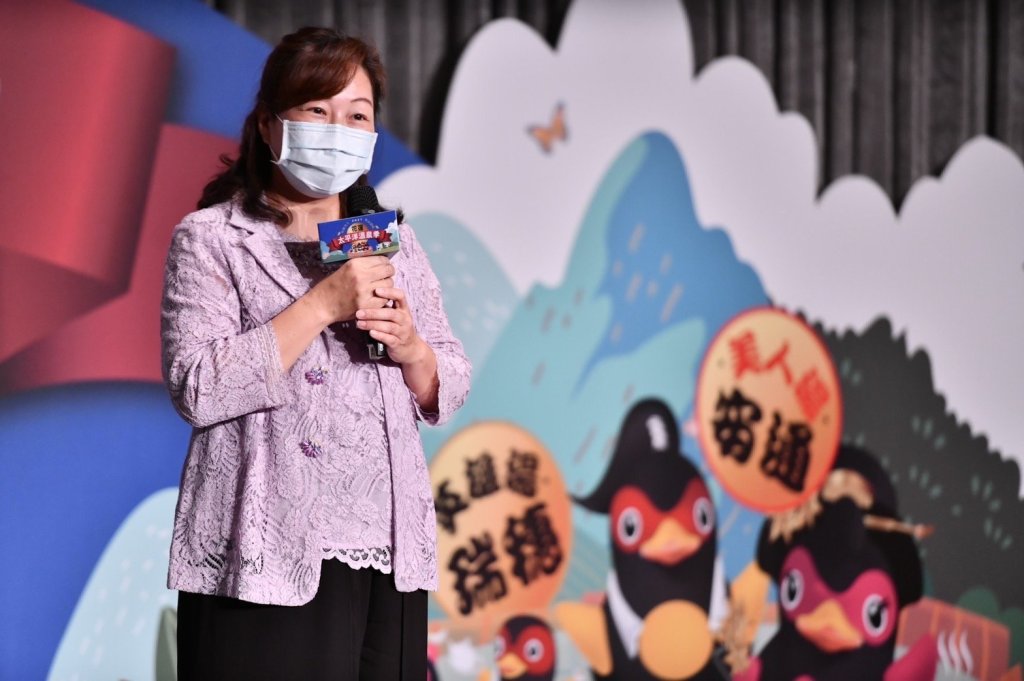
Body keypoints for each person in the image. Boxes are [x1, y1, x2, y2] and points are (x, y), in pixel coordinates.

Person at [160, 27, 471, 680]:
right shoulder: (212, 239)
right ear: (269, 126)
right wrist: (322, 305)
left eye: (357, 115)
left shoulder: (392, 241)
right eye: (317, 110)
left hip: (389, 553)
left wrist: (412, 348)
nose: (339, 130)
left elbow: (450, 376)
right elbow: (198, 386)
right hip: (262, 554)